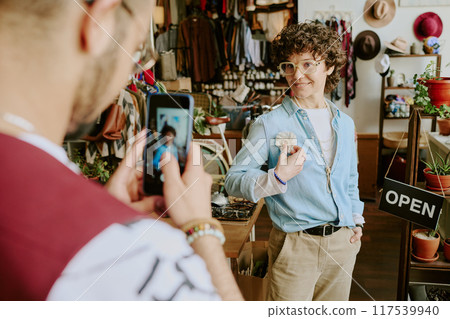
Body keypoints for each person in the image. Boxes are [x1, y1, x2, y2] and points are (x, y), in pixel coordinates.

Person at [0, 0, 242, 301]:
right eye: (138, 50)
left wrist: (99, 211)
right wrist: (202, 230)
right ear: (100, 22)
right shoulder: (128, 257)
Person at [225, 22, 364, 301]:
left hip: (342, 245)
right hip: (295, 247)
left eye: (308, 64)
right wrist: (275, 178)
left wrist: (356, 221)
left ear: (328, 66)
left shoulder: (345, 125)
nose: (297, 74)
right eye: (289, 65)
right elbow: (233, 180)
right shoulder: (269, 124)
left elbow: (350, 180)